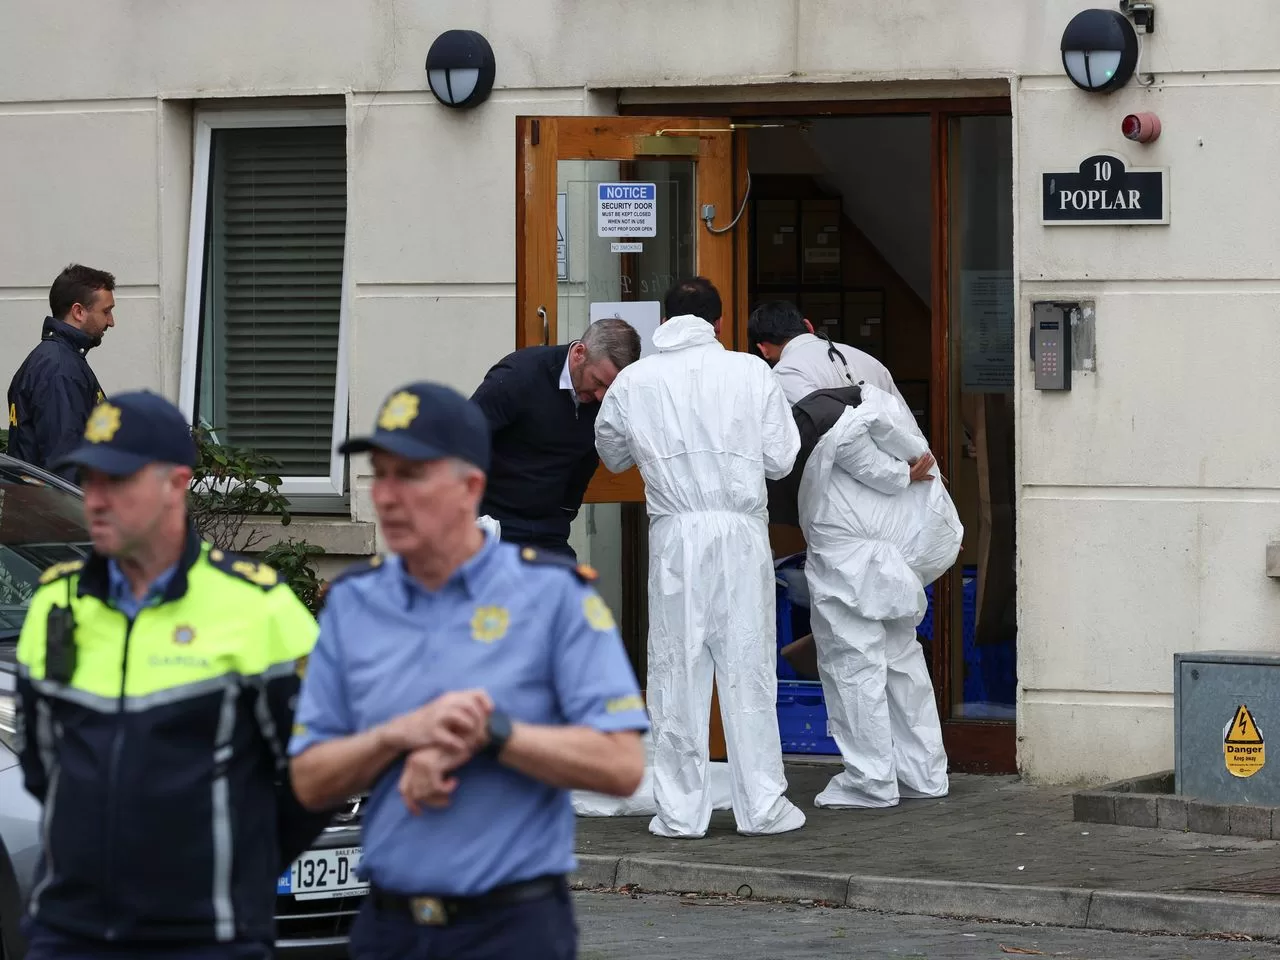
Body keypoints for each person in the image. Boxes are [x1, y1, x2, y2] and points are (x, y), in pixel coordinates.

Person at [288, 381, 647, 960]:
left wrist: (495, 734)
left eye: (412, 476)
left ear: (471, 487)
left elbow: (621, 766)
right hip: (389, 928)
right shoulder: (354, 604)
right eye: (382, 475)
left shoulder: (552, 597)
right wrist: (394, 737)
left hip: (511, 929)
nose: (388, 496)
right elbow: (308, 779)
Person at [14, 391, 328, 960]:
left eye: (118, 481)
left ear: (177, 485)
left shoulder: (259, 606)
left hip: (204, 937)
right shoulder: (56, 600)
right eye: (90, 479)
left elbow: (318, 772)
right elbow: (44, 765)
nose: (96, 499)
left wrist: (237, 869)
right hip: (69, 932)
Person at [595, 277, 807, 840]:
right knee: (747, 667)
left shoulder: (635, 380)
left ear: (664, 321)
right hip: (739, 532)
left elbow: (611, 454)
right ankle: (762, 805)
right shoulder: (750, 371)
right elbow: (782, 459)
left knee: (675, 671)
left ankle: (680, 812)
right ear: (719, 322)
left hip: (676, 534)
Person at [795, 379, 962, 808]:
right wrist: (903, 476)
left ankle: (869, 780)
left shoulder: (843, 424)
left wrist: (898, 476)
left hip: (848, 563)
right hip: (890, 561)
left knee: (853, 668)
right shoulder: (887, 416)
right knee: (902, 664)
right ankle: (924, 773)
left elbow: (853, 450)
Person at [471, 318, 641, 559]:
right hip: (495, 523)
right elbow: (464, 438)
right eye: (597, 382)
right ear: (579, 353)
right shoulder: (519, 376)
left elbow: (586, 460)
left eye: (610, 389)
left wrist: (566, 509)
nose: (601, 396)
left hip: (550, 528)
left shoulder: (604, 401)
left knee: (570, 583)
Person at [7, 264, 116, 479]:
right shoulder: (60, 370)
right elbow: (65, 467)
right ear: (78, 312)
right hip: (55, 501)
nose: (111, 322)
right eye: (106, 311)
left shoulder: (56, 361)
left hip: (37, 499)